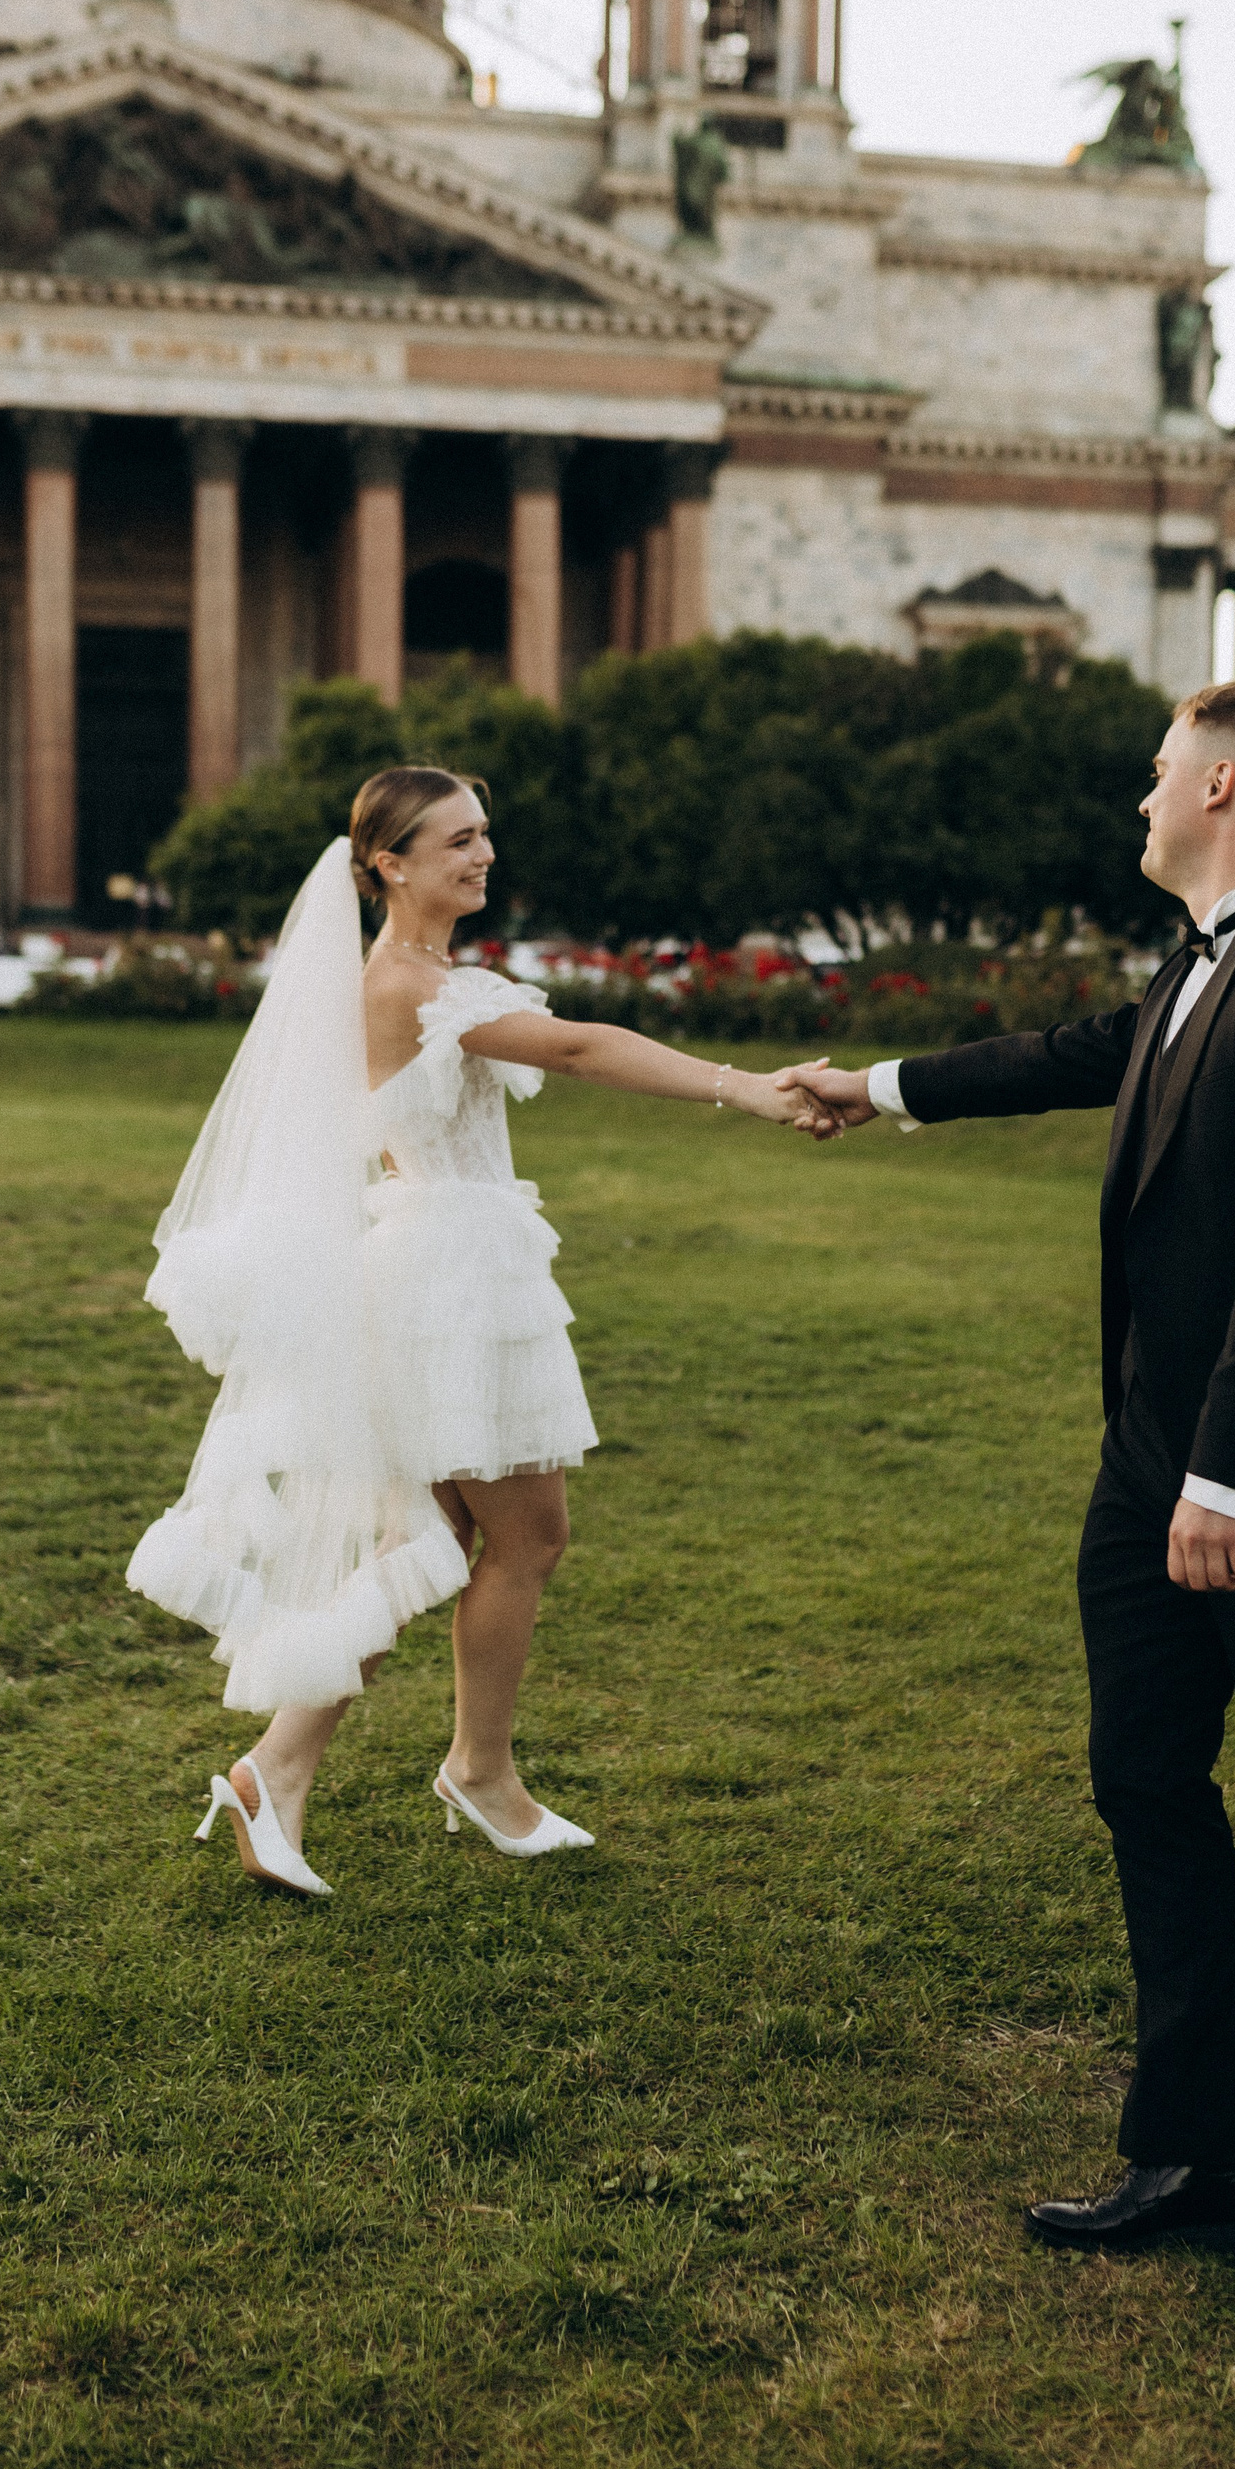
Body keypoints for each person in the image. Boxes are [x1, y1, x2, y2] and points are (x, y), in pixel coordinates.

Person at [791, 679, 1235, 2256]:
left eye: (1157, 772)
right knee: (1144, 1777)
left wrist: (1230, 1478)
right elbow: (1076, 1052)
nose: (1140, 798)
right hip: (1149, 1455)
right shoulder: (1196, 957)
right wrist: (875, 1088)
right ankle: (1198, 2159)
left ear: (1220, 785)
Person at [130, 767, 815, 1895]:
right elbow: (579, 1047)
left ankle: (281, 1772)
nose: (483, 853)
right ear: (389, 863)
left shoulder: (430, 975)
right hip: (453, 1281)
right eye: (456, 839)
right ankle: (472, 1773)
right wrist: (741, 1088)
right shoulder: (407, 983)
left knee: (430, 1540)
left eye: (485, 833)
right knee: (526, 1537)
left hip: (441, 1268)